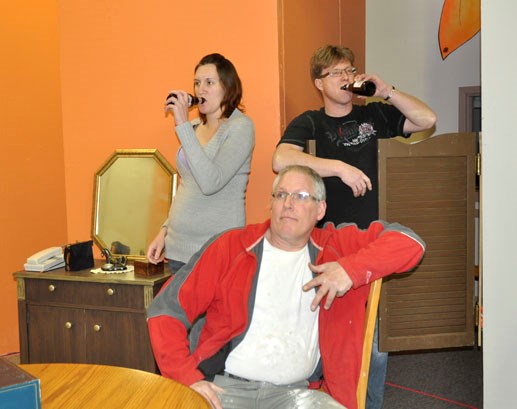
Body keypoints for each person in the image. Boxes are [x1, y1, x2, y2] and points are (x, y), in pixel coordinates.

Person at [147, 165, 425, 409]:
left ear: (320, 209)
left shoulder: (336, 247)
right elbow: (166, 310)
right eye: (281, 194)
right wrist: (188, 378)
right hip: (226, 390)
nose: (288, 203)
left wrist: (350, 270)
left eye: (301, 196)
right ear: (271, 204)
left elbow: (410, 242)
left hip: (300, 395)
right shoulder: (231, 246)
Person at [272, 45, 436, 409]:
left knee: (371, 348)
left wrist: (387, 92)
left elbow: (427, 119)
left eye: (350, 70)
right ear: (319, 82)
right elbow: (280, 158)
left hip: (369, 246)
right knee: (318, 343)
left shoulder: (375, 115)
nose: (346, 78)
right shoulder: (310, 122)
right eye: (336, 73)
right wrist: (339, 167)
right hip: (324, 245)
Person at [146, 53, 255, 274]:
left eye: (209, 82)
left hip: (217, 252)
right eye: (197, 83)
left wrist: (182, 125)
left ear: (227, 87)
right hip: (178, 251)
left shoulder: (240, 128)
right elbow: (189, 186)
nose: (200, 90)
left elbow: (210, 182)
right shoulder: (193, 127)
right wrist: (165, 231)